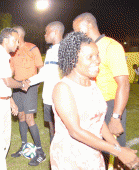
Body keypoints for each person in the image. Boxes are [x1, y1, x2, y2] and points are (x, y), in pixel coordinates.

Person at [50, 31, 139, 169]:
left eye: (97, 55)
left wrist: (117, 149)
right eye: (90, 57)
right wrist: (118, 151)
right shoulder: (63, 89)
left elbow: (98, 120)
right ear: (73, 59)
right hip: (71, 158)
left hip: (93, 153)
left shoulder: (92, 83)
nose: (97, 60)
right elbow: (76, 131)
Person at [73, 13, 130, 167]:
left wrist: (116, 117)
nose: (76, 35)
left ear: (88, 26)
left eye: (77, 30)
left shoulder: (112, 47)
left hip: (111, 106)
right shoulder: (85, 49)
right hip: (93, 106)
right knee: (95, 150)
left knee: (115, 153)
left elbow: (124, 83)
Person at [0, 27, 28, 170]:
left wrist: (11, 102)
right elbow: (8, 82)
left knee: (5, 140)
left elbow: (2, 84)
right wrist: (22, 85)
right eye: (15, 40)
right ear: (6, 40)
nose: (18, 44)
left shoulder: (5, 56)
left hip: (3, 100)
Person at [9, 26, 45, 166]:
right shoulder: (13, 52)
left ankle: (40, 152)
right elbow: (10, 71)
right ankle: (24, 146)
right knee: (21, 116)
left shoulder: (32, 48)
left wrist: (31, 83)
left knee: (29, 118)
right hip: (17, 86)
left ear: (18, 35)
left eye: (12, 34)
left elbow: (42, 71)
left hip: (30, 86)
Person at [42, 21, 63, 143]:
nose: (45, 35)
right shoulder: (50, 51)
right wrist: (27, 82)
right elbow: (45, 73)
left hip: (59, 98)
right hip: (48, 98)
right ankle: (54, 158)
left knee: (62, 130)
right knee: (52, 130)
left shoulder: (65, 50)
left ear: (54, 32)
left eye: (46, 32)